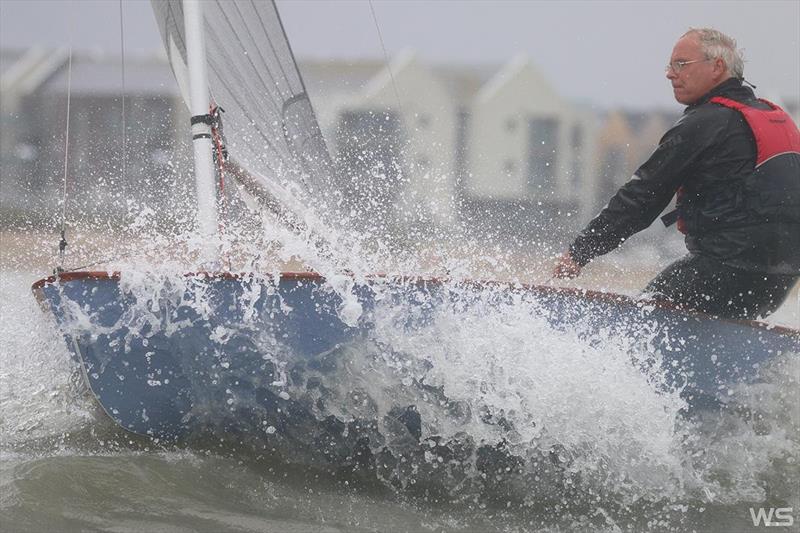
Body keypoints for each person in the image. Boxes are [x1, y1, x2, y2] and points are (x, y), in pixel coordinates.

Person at [553, 28, 800, 320]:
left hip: (724, 269)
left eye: (681, 64)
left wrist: (580, 251)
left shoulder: (707, 122)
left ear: (717, 67)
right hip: (782, 278)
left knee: (641, 323)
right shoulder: (779, 118)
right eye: (670, 65)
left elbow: (642, 196)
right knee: (716, 332)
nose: (670, 74)